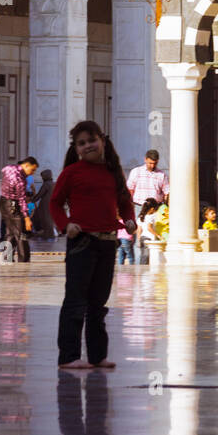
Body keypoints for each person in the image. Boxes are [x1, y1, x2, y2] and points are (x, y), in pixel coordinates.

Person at [50, 120, 136, 369]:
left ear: (102, 140)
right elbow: (55, 204)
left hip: (108, 242)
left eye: (91, 140)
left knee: (98, 303)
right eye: (82, 143)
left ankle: (98, 356)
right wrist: (66, 225)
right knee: (76, 301)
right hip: (82, 242)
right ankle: (69, 356)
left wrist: (129, 220)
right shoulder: (71, 173)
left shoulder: (113, 172)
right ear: (76, 148)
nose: (88, 146)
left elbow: (125, 202)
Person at [127, 150, 170, 264]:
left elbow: (166, 192)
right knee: (139, 235)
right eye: (150, 163)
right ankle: (138, 263)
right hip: (139, 206)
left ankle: (149, 262)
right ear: (145, 159)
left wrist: (164, 208)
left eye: (154, 163)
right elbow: (130, 189)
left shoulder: (161, 175)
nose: (152, 165)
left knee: (151, 234)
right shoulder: (136, 172)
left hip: (155, 209)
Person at [0, 156, 39, 265]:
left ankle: (7, 257)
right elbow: (21, 200)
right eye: (32, 169)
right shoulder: (20, 179)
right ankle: (24, 259)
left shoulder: (10, 168)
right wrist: (26, 218)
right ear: (26, 165)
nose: (32, 173)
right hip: (13, 204)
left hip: (3, 202)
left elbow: (3, 170)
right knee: (21, 232)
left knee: (10, 231)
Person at [33, 169, 55, 239]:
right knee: (48, 219)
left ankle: (48, 235)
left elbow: (40, 194)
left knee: (45, 219)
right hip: (52, 204)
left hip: (45, 205)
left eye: (43, 176)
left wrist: (33, 200)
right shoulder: (53, 183)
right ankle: (48, 234)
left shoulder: (46, 184)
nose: (42, 178)